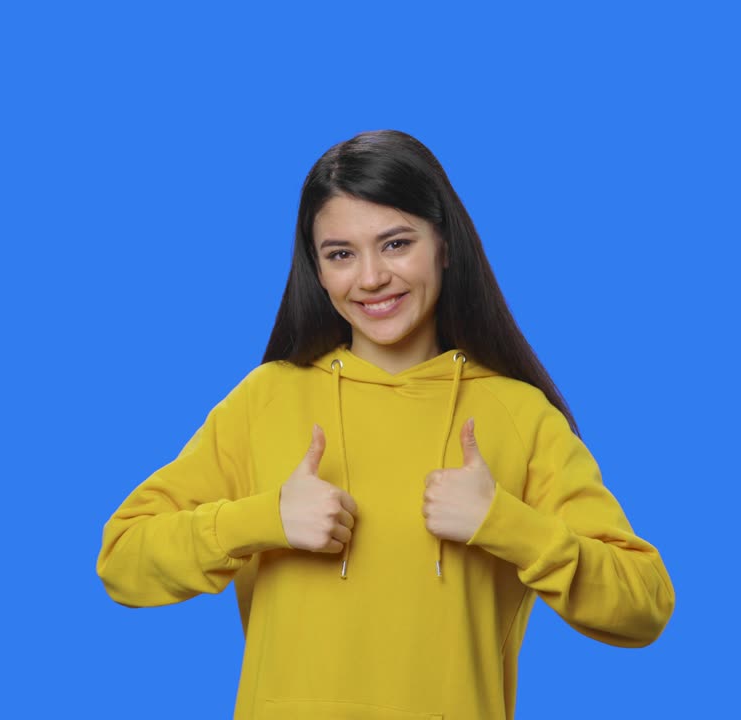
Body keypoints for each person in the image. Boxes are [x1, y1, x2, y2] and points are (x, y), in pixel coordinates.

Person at [97, 130, 675, 720]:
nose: (371, 278)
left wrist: (507, 524)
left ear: (444, 245)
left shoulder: (519, 415)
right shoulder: (266, 399)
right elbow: (122, 559)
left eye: (396, 244)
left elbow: (644, 604)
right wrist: (262, 519)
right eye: (340, 254)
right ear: (317, 270)